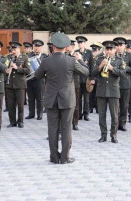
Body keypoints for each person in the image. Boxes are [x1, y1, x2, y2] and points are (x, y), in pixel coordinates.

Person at [35, 32, 89, 164]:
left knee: (52, 129)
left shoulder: (46, 61)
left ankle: (54, 157)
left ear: (53, 47)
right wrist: (80, 59)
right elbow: (86, 72)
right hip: (67, 99)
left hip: (51, 99)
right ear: (66, 47)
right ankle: (65, 157)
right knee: (66, 128)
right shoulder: (71, 61)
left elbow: (37, 76)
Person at [92, 41, 125, 143]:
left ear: (115, 50)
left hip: (113, 91)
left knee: (114, 115)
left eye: (111, 49)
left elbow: (123, 74)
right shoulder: (99, 60)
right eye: (107, 49)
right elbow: (92, 73)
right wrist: (101, 66)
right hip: (101, 90)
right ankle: (103, 135)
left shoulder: (119, 60)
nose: (109, 51)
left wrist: (111, 68)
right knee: (101, 115)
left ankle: (113, 135)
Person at [113, 37, 131, 132]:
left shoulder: (129, 55)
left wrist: (125, 68)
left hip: (125, 83)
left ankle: (122, 123)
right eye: (117, 45)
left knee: (124, 106)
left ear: (124, 46)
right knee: (115, 106)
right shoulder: (112, 55)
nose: (119, 47)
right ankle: (115, 123)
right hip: (114, 84)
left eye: (121, 45)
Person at [6, 42, 30, 128]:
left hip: (20, 85)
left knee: (20, 105)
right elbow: (4, 68)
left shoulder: (24, 57)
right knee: (11, 105)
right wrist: (7, 70)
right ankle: (12, 122)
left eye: (15, 49)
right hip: (10, 84)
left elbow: (28, 70)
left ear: (19, 49)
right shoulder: (8, 57)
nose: (13, 51)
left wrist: (17, 68)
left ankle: (20, 121)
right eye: (12, 49)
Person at [65, 40, 86, 131]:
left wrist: (79, 59)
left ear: (72, 47)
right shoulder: (65, 55)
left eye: (68, 46)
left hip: (76, 83)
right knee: (66, 104)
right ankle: (67, 122)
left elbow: (85, 68)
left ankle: (75, 122)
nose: (66, 47)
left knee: (76, 104)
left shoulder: (78, 55)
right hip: (66, 83)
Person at [26, 39, 47, 120]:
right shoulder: (28, 55)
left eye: (38, 46)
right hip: (30, 79)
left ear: (41, 47)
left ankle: (39, 114)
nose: (36, 48)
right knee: (30, 98)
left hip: (40, 79)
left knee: (40, 98)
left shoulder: (44, 56)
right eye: (35, 46)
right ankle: (31, 114)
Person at [75, 36, 93, 121]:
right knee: (78, 98)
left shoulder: (89, 53)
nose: (80, 44)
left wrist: (92, 78)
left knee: (86, 98)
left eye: (81, 42)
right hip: (78, 79)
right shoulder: (75, 53)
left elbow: (92, 67)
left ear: (84, 43)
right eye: (78, 43)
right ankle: (79, 114)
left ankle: (86, 114)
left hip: (86, 79)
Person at [89, 42, 103, 114]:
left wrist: (95, 80)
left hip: (99, 78)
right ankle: (90, 108)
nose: (94, 52)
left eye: (96, 50)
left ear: (99, 50)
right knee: (91, 94)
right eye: (93, 50)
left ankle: (98, 108)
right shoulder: (91, 57)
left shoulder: (101, 58)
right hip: (92, 77)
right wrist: (92, 79)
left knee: (98, 94)